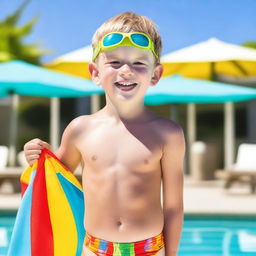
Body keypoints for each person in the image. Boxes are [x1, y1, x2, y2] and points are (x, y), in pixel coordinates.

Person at [24, 11, 185, 256]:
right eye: (115, 62)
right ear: (95, 72)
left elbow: (173, 206)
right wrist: (35, 156)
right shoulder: (80, 129)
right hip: (94, 249)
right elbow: (55, 184)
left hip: (150, 250)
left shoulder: (167, 133)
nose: (126, 71)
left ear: (155, 74)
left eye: (139, 63)